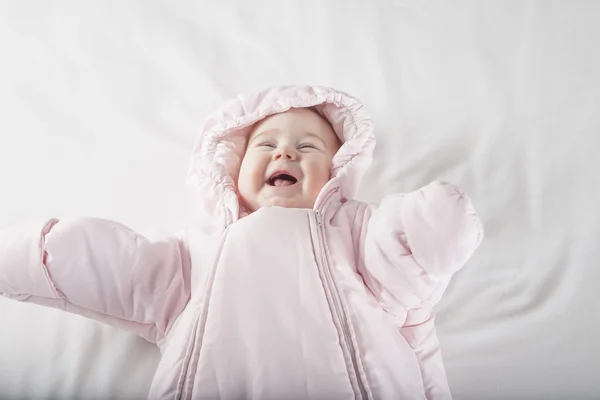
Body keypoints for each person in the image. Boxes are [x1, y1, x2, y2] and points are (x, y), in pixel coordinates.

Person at [0, 85, 483, 399]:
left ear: (338, 172)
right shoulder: (199, 253)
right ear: (232, 170)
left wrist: (430, 226)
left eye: (308, 146)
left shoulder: (356, 231)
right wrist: (33, 255)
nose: (286, 150)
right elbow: (113, 266)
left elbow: (404, 260)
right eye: (266, 144)